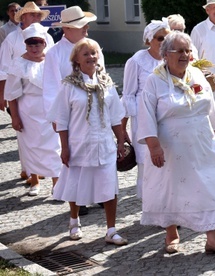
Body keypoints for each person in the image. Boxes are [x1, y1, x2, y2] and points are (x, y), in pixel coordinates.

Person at [138, 31, 215, 254]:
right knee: (171, 187)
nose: (185, 55)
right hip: (171, 147)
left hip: (201, 141)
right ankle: (171, 233)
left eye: (187, 50)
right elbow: (145, 115)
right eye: (179, 51)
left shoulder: (196, 75)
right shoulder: (155, 81)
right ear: (165, 54)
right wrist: (154, 146)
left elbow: (210, 103)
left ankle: (212, 238)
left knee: (210, 183)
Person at [49, 38, 128, 245]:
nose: (91, 57)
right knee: (75, 184)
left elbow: (115, 117)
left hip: (104, 145)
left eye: (94, 53)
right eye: (86, 54)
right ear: (76, 59)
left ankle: (111, 230)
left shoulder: (107, 84)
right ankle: (74, 221)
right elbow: (62, 120)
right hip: (79, 144)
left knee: (109, 186)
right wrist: (64, 148)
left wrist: (121, 141)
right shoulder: (69, 86)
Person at [6, 23, 61, 196]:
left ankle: (57, 184)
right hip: (28, 109)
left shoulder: (53, 60)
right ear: (25, 45)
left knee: (54, 147)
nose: (34, 47)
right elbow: (12, 94)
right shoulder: (18, 64)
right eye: (30, 44)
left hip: (51, 108)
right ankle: (34, 180)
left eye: (38, 43)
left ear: (45, 43)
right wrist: (15, 117)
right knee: (30, 146)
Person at [120, 18, 169, 197]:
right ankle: (150, 202)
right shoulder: (137, 61)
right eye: (159, 38)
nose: (163, 42)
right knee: (147, 160)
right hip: (143, 117)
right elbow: (128, 95)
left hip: (166, 116)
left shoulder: (169, 59)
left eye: (166, 37)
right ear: (149, 40)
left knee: (167, 159)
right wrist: (122, 127)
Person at [43, 6, 101, 120]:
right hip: (71, 112)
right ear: (67, 28)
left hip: (96, 107)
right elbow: (51, 87)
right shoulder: (54, 53)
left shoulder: (94, 46)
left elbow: (101, 74)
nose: (86, 27)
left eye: (86, 24)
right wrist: (56, 118)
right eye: (81, 25)